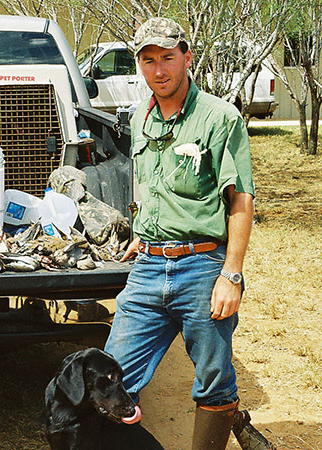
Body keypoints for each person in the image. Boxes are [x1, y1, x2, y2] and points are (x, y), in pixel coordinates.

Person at [103, 18, 256, 450]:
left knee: (213, 380)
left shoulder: (219, 117)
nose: (158, 70)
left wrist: (232, 275)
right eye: (147, 60)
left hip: (202, 266)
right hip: (149, 266)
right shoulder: (139, 116)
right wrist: (142, 230)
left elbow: (240, 200)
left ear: (186, 58)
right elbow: (150, 182)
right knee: (113, 377)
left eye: (167, 58)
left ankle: (226, 422)